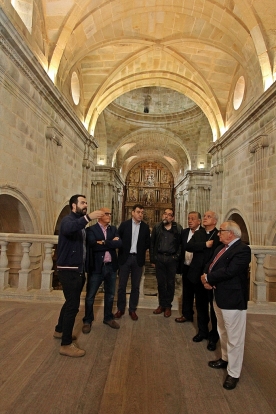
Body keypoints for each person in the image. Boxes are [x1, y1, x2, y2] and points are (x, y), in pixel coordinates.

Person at [201, 220, 251, 390]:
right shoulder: (221, 248)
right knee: (222, 331)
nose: (218, 233)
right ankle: (225, 358)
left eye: (221, 230)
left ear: (231, 233)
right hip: (219, 295)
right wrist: (206, 276)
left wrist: (209, 279)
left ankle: (234, 373)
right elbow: (210, 264)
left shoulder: (243, 250)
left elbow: (230, 271)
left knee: (235, 338)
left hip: (233, 299)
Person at [54, 194, 104, 357]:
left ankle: (60, 330)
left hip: (76, 269)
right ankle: (66, 344)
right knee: (73, 306)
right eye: (82, 203)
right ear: (73, 206)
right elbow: (69, 228)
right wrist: (89, 217)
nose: (86, 205)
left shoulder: (79, 223)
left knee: (69, 302)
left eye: (86, 203)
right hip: (68, 270)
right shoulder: (68, 220)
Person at [82, 207, 122, 333]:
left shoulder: (114, 229)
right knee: (90, 296)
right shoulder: (91, 229)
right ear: (99, 216)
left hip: (111, 266)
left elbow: (119, 244)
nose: (109, 216)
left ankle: (108, 318)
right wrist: (110, 242)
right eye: (106, 214)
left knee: (110, 295)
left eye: (110, 213)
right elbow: (93, 244)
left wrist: (103, 242)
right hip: (97, 267)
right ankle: (87, 320)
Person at [186, 210, 221, 350]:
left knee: (213, 309)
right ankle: (202, 331)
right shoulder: (199, 233)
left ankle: (214, 337)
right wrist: (204, 245)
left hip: (211, 277)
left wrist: (208, 276)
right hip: (197, 275)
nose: (205, 218)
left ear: (215, 221)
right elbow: (189, 246)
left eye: (208, 217)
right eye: (205, 216)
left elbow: (216, 256)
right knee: (200, 305)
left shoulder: (218, 235)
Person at [114, 204, 150, 321]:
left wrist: (140, 251)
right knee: (122, 286)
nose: (141, 214)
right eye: (138, 212)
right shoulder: (124, 225)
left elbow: (147, 243)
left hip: (138, 259)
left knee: (135, 287)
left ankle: (132, 309)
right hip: (125, 258)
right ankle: (120, 309)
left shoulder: (145, 227)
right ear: (132, 212)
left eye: (142, 212)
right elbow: (117, 239)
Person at [150, 208, 182, 317]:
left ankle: (168, 306)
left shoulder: (177, 228)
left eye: (169, 215)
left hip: (171, 259)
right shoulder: (157, 227)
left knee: (170, 283)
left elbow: (181, 244)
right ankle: (161, 305)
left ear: (172, 218)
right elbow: (152, 243)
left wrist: (176, 257)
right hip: (159, 258)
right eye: (165, 214)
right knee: (161, 283)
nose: (166, 216)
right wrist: (153, 259)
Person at [175, 211, 202, 323]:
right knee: (187, 292)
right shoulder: (185, 232)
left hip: (198, 268)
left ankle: (201, 318)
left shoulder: (203, 233)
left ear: (199, 221)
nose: (190, 221)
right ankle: (187, 314)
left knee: (199, 294)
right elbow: (180, 247)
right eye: (189, 219)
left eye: (193, 219)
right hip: (186, 266)